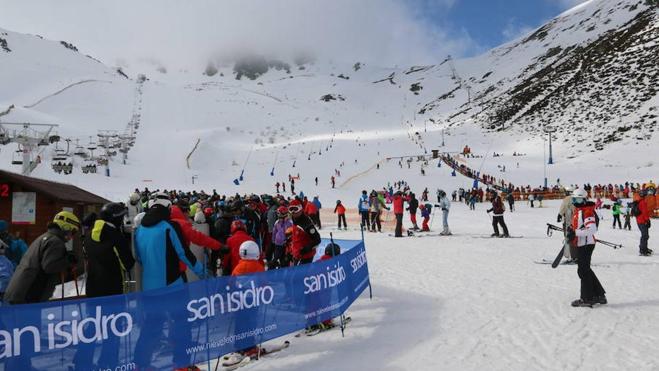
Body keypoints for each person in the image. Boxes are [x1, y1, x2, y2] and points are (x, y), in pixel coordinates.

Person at [4, 211, 80, 304]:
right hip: (28, 295)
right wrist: (68, 261)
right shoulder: (55, 242)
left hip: (19, 292)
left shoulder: (45, 237)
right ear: (66, 227)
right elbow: (49, 266)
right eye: (73, 232)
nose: (72, 237)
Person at [85, 202, 135, 297]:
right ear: (115, 218)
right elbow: (128, 264)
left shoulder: (89, 233)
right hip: (113, 289)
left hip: (92, 286)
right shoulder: (115, 236)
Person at [567, 189, 606, 307]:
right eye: (573, 199)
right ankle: (599, 294)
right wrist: (572, 230)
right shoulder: (579, 210)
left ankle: (587, 298)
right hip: (581, 244)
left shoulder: (587, 211)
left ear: (584, 199)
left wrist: (576, 233)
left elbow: (592, 229)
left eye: (577, 199)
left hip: (586, 244)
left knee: (583, 271)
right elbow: (578, 226)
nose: (575, 202)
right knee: (585, 270)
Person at [558, 187, 577, 263]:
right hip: (577, 221)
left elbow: (563, 207)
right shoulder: (578, 198)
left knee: (569, 239)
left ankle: (572, 257)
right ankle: (576, 256)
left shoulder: (568, 198)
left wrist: (559, 215)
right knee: (576, 239)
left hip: (569, 221)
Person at [633, 190, 652, 256]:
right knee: (645, 236)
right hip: (642, 221)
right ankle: (642, 250)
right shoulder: (643, 202)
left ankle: (644, 248)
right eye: (646, 194)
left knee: (645, 235)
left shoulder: (639, 201)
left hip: (639, 221)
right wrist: (647, 221)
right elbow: (645, 213)